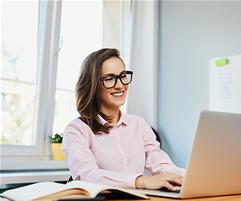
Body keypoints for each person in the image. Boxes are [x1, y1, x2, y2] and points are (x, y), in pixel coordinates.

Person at [62, 48, 184, 191]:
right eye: (109, 78)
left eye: (123, 76)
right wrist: (140, 181)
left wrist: (187, 176)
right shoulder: (76, 130)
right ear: (93, 85)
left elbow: (160, 163)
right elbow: (87, 175)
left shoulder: (138, 124)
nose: (120, 85)